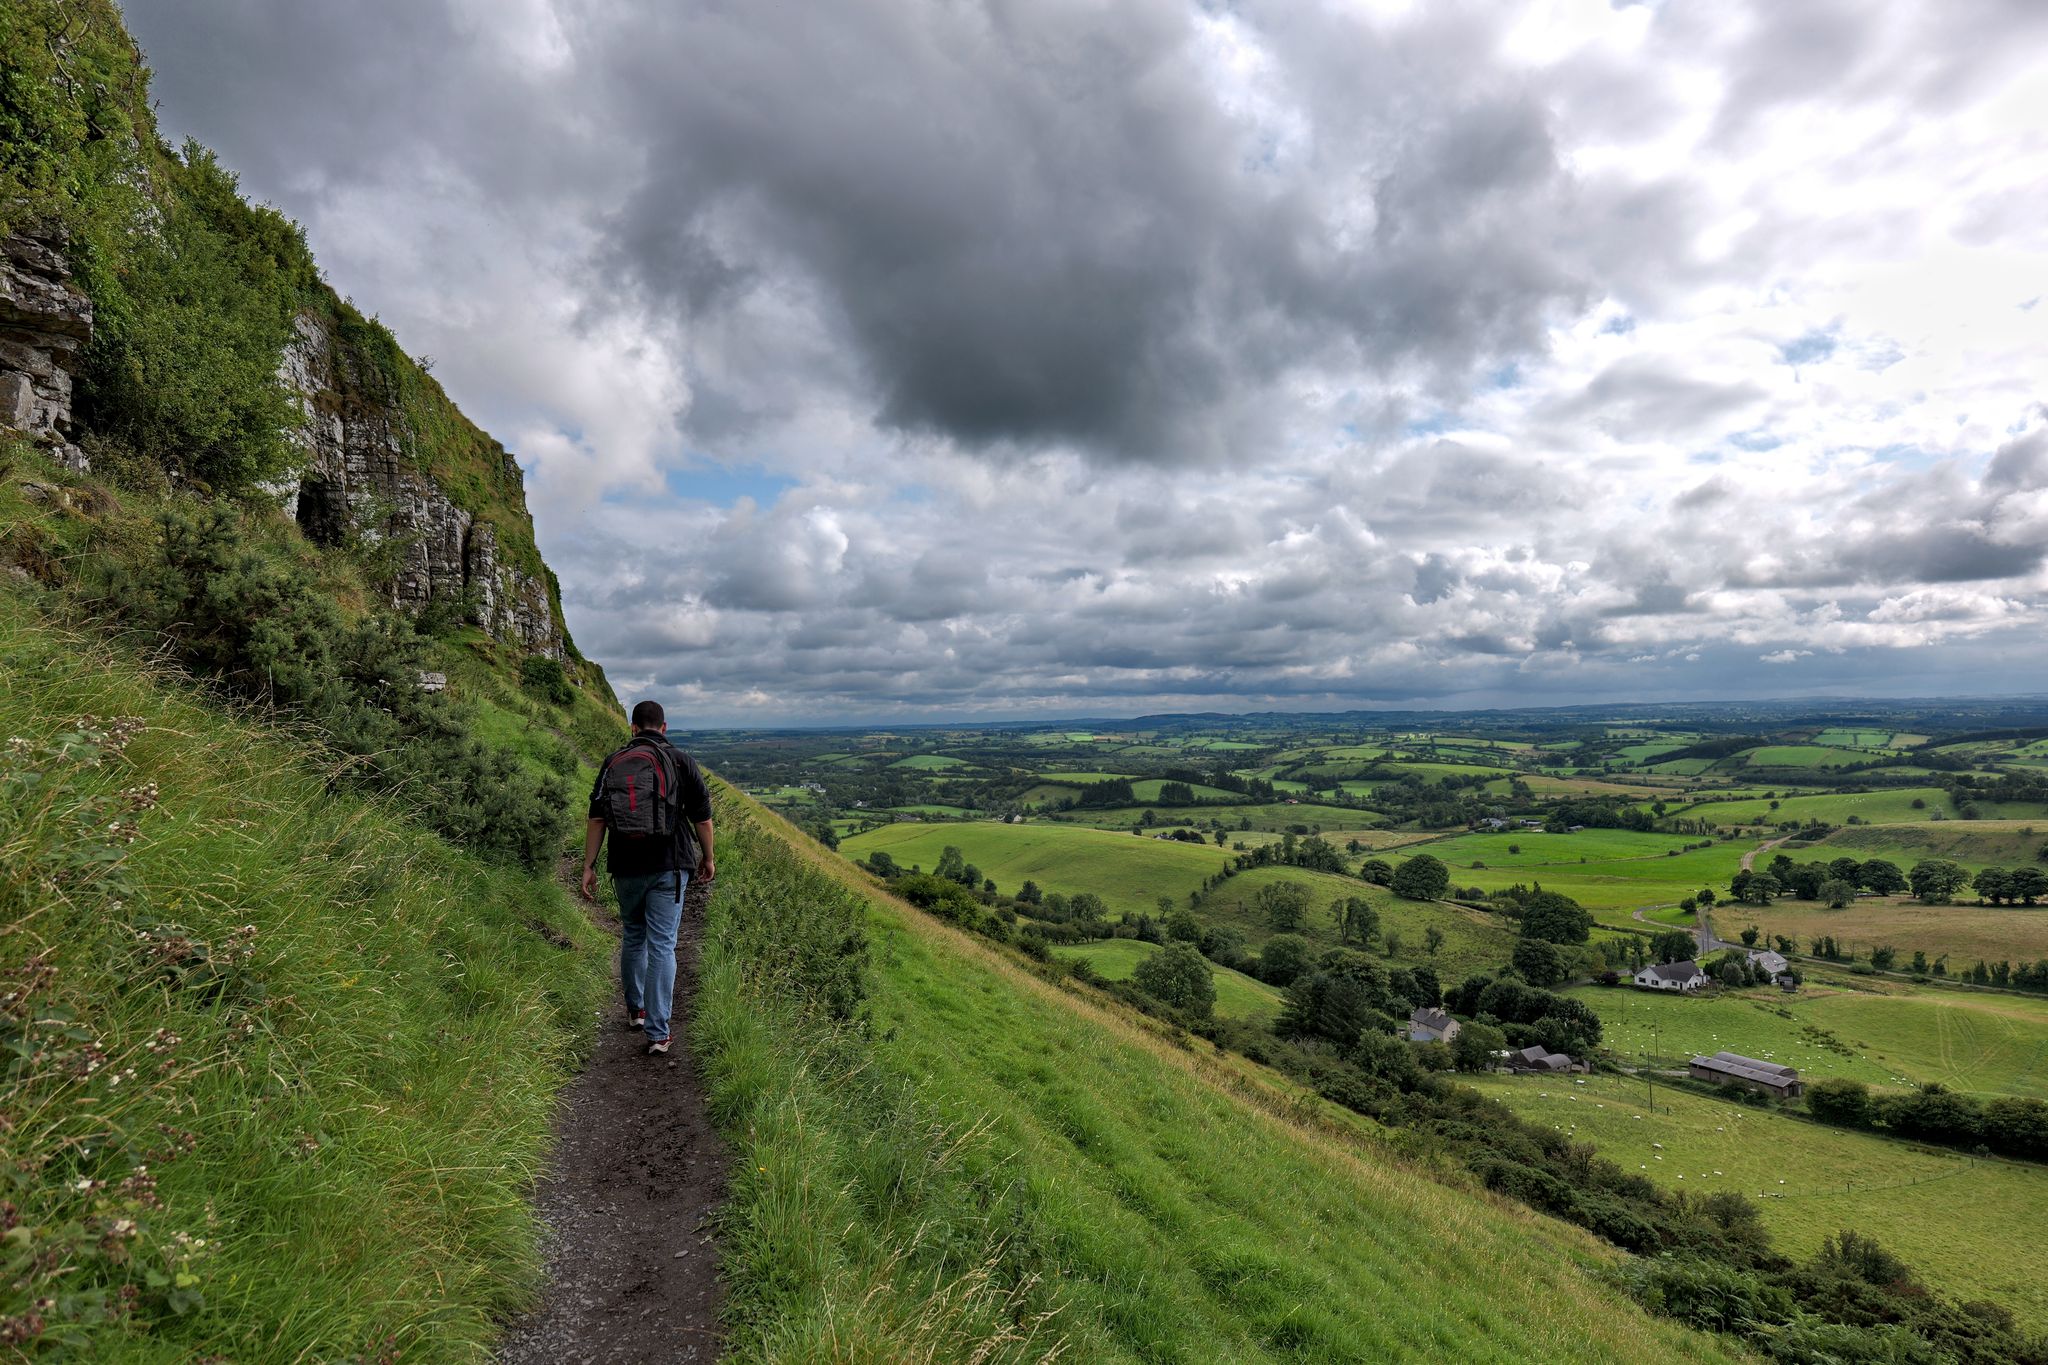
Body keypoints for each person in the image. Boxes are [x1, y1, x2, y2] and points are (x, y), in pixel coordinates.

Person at [582, 700, 715, 1056]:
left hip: (624, 866)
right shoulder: (681, 761)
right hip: (669, 866)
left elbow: (596, 819)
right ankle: (658, 1034)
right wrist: (709, 857)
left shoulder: (613, 762)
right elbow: (702, 818)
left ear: (633, 728)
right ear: (665, 727)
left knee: (634, 935)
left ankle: (635, 1010)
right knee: (662, 944)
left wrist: (589, 865)